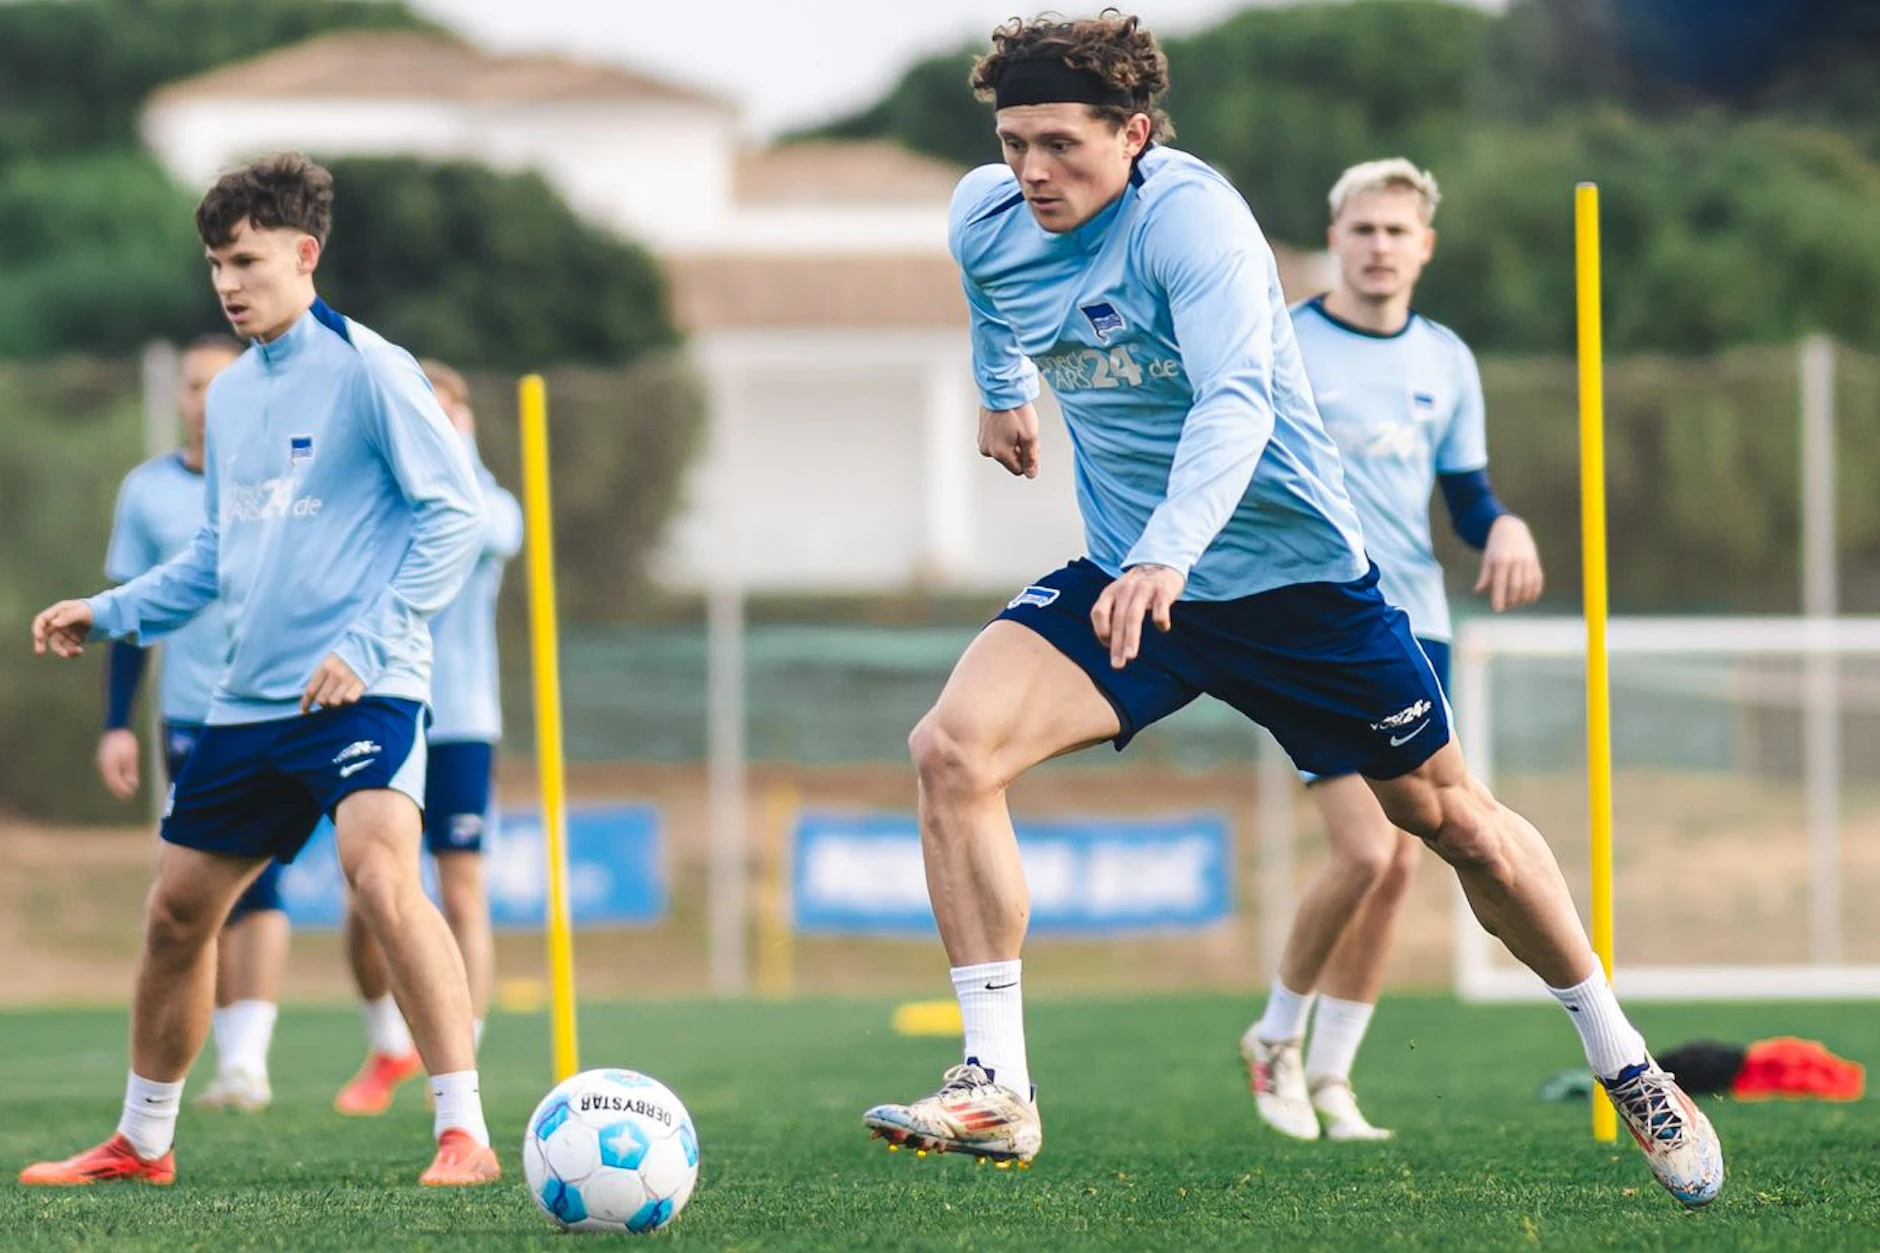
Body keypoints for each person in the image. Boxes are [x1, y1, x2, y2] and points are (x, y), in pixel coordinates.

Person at [858, 13, 1721, 1208]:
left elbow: (1234, 402)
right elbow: (992, 296)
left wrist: (1169, 551)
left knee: (1450, 822)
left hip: (1295, 585)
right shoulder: (986, 214)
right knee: (950, 748)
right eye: (1012, 143)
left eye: (1058, 144)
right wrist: (1003, 396)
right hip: (1134, 577)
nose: (1030, 172)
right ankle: (996, 1081)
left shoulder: (1192, 221)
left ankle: (1623, 1060)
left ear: (1135, 133)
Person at [22, 152, 499, 1187]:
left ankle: (463, 1127)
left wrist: (365, 647)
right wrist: (107, 612)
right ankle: (142, 1140)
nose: (228, 284)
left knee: (380, 873)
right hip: (247, 700)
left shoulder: (375, 368)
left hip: (366, 688)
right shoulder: (231, 397)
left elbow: (454, 516)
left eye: (244, 260)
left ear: (304, 252)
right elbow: (213, 557)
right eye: (214, 266)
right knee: (175, 913)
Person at [1242, 158, 1545, 1142]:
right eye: (1360, 229)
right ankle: (1274, 1037)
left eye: (1394, 231)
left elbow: (1464, 494)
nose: (1377, 246)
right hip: (1310, 623)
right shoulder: (1281, 341)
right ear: (1332, 238)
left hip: (1414, 626)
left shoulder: (1445, 359)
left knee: (1405, 862)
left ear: (1423, 246)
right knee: (1365, 847)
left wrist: (1500, 524)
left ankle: (1330, 1078)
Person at [98, 333, 290, 1115]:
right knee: (201, 893)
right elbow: (133, 612)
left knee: (263, 881)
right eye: (192, 384)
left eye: (219, 383)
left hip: (271, 710)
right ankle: (222, 1061)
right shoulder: (146, 492)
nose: (203, 398)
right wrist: (116, 723)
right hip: (187, 715)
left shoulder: (279, 483)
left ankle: (249, 1061)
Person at [334, 360, 522, 1116]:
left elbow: (483, 529)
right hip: (382, 709)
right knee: (367, 893)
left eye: (447, 414)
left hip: (462, 720)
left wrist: (458, 452)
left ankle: (459, 1052)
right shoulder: (384, 502)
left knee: (462, 892)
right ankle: (388, 1044)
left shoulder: (488, 504)